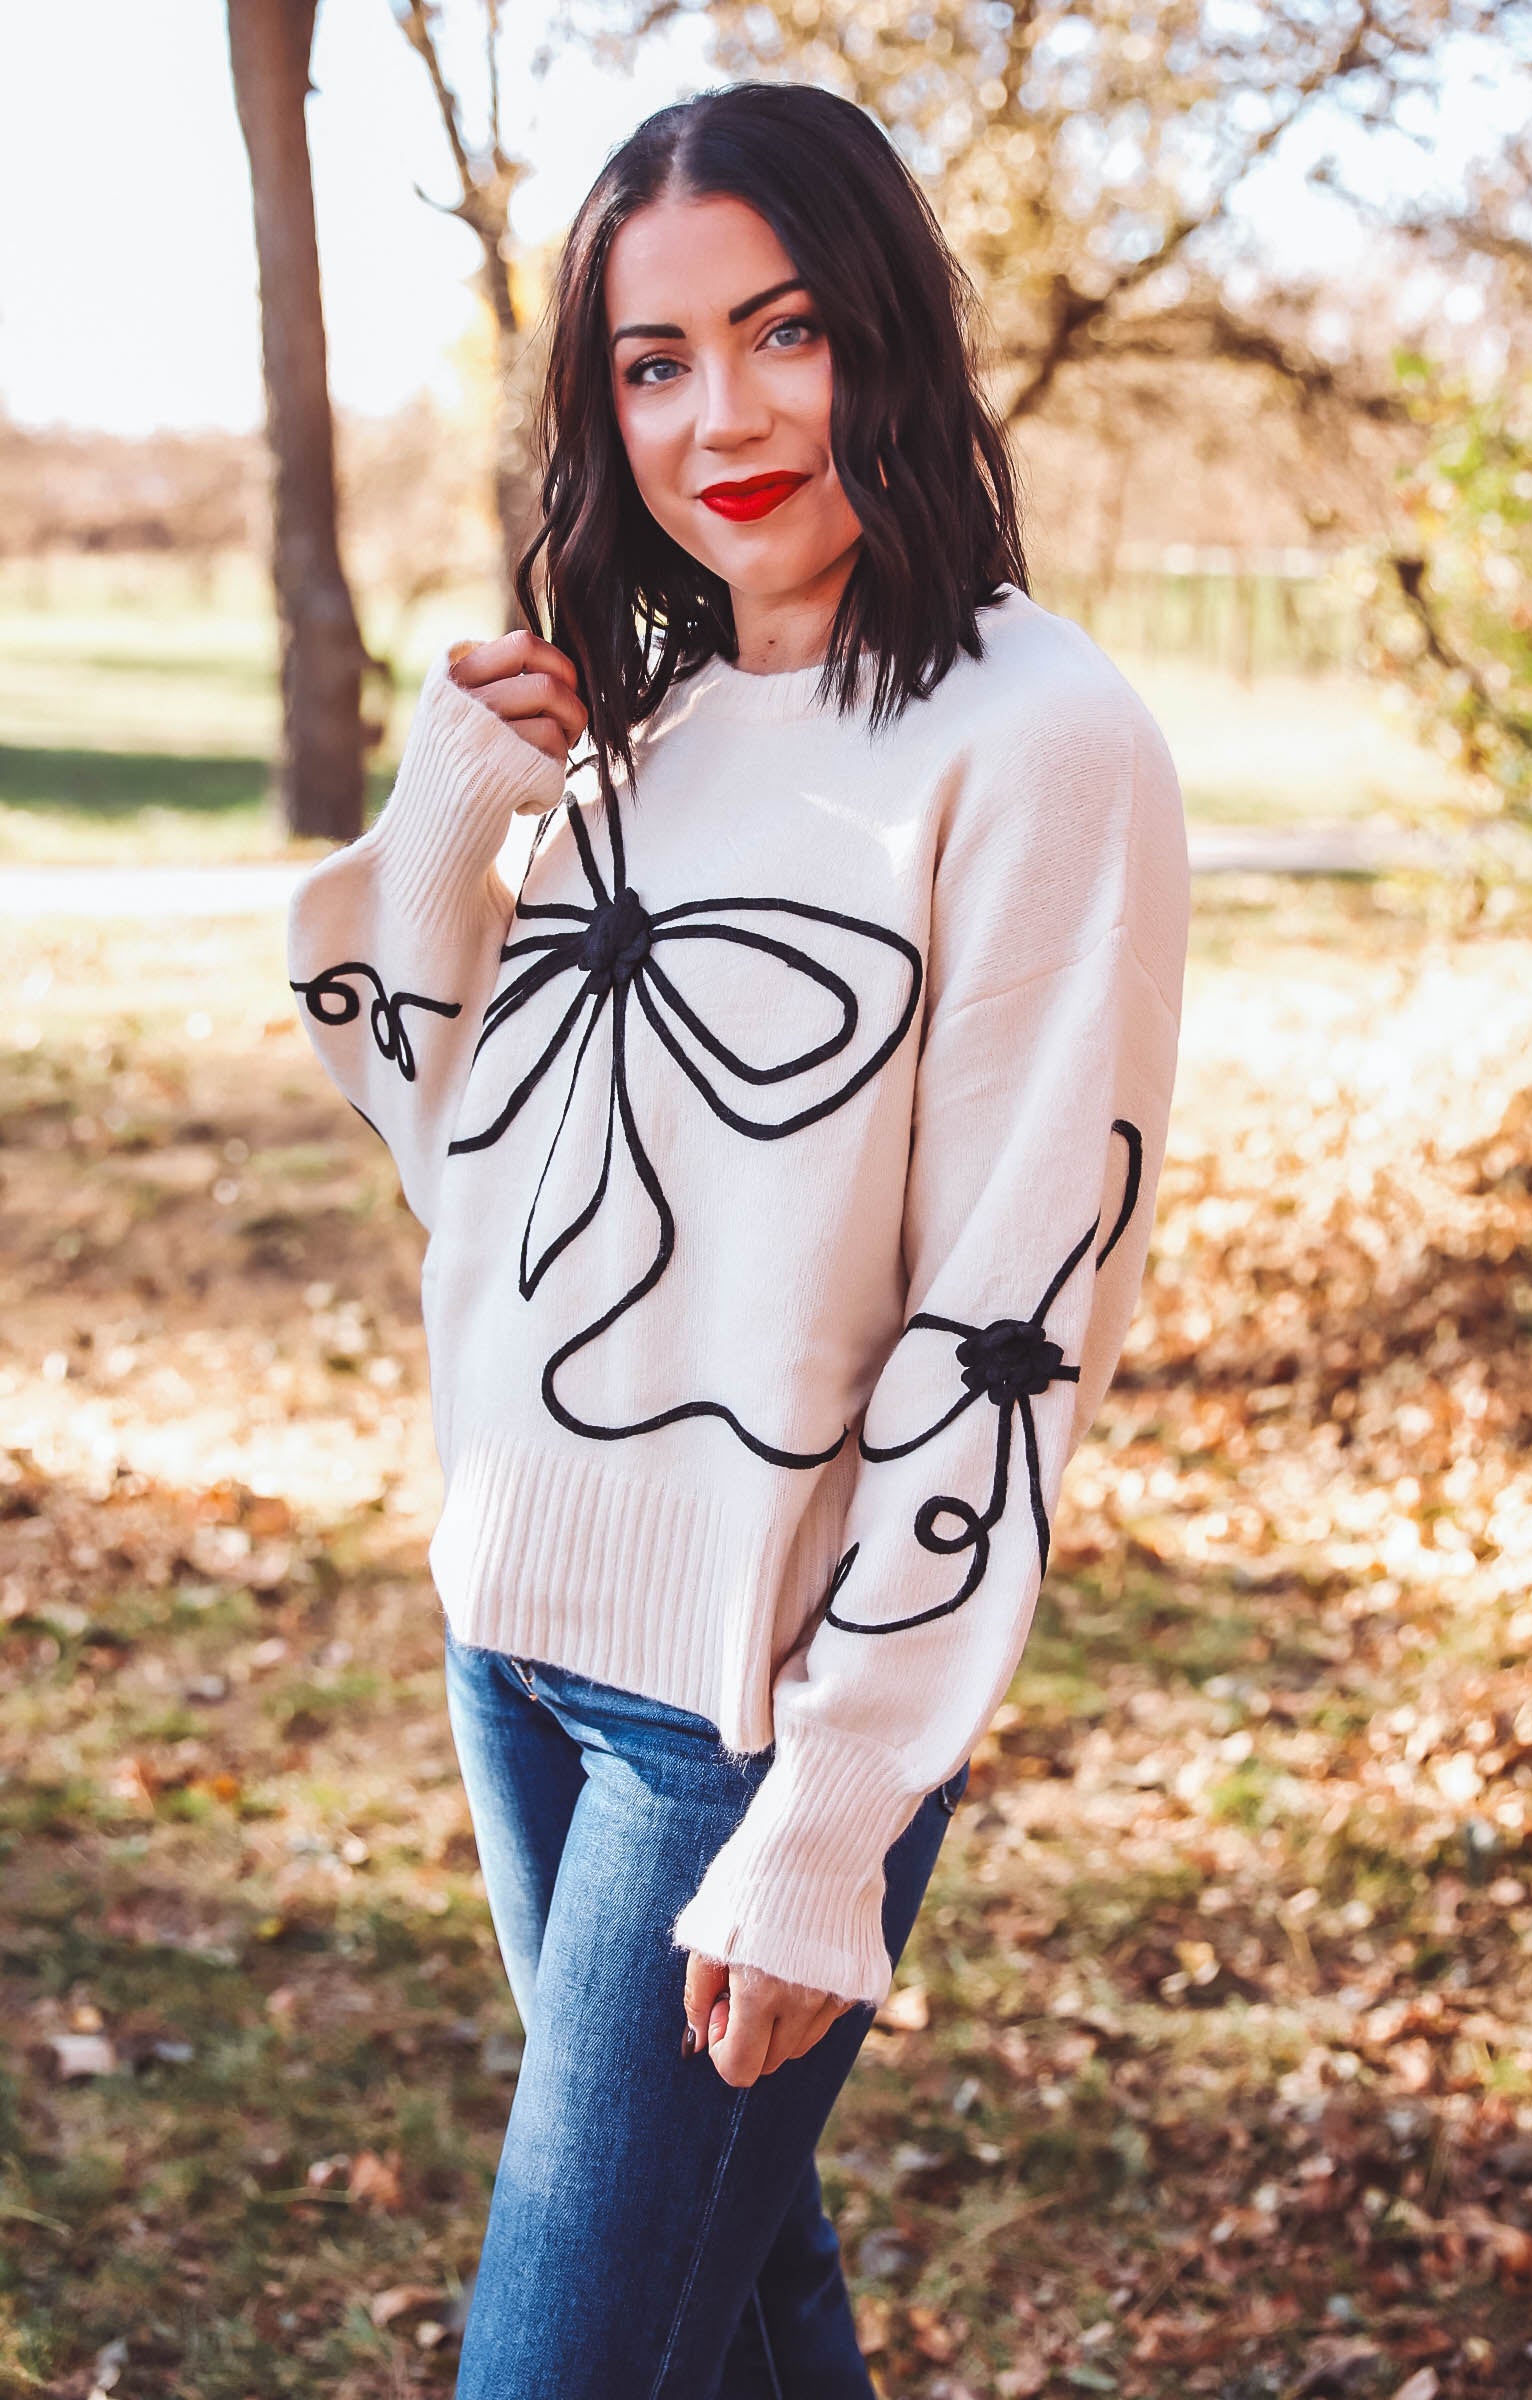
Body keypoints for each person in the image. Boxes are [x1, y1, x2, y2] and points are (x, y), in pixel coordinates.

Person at [285, 76, 1189, 2400]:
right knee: (742, 2321)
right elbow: (469, 1171)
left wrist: (831, 1813)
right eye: (653, 361)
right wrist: (447, 824)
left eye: (782, 332)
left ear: (885, 329)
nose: (725, 417)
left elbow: (1009, 1319)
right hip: (513, 1638)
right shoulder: (643, 719)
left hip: (738, 1707)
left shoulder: (1037, 735)